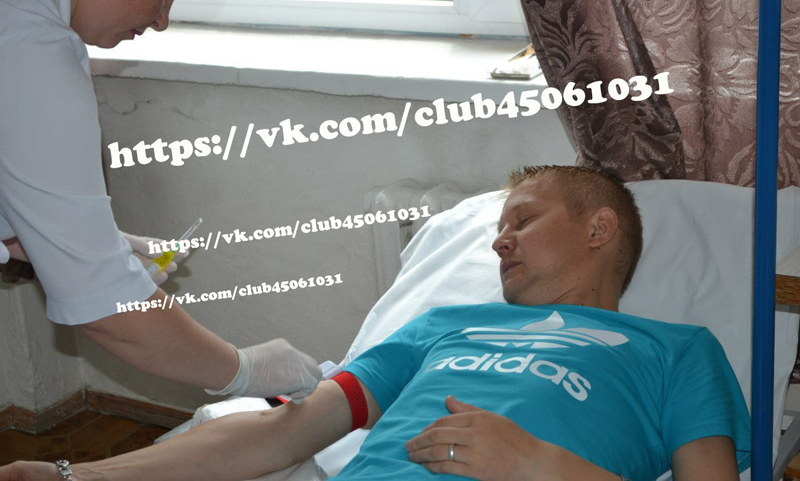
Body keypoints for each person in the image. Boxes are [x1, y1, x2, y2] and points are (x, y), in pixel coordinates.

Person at [0, 165, 750, 480]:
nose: (498, 241)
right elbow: (284, 432)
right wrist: (72, 475)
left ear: (599, 230)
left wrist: (540, 465)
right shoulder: (445, 325)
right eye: (497, 227)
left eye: (522, 220)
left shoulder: (676, 351)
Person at [0, 0, 320, 403]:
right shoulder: (31, 45)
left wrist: (90, 244)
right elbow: (104, 305)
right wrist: (243, 369)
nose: (161, 20)